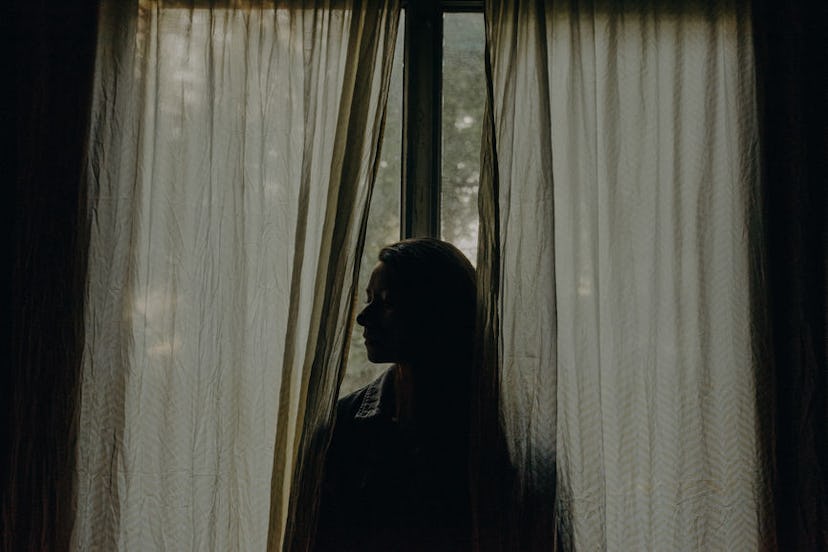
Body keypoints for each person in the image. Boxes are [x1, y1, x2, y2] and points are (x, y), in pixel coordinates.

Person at [314, 238, 477, 551]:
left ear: (437, 313)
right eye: (369, 299)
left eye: (387, 303)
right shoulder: (343, 425)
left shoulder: (486, 426)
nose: (363, 318)